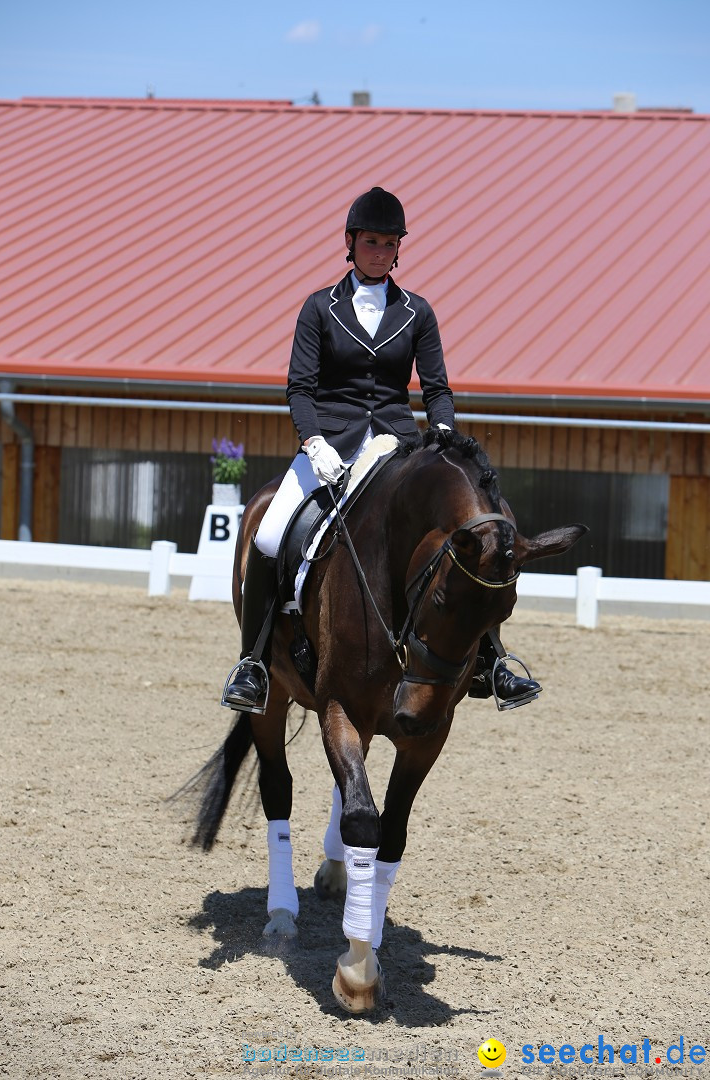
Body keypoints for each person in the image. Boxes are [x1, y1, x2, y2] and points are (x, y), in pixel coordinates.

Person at [221, 186, 540, 714]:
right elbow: (300, 386)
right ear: (350, 243)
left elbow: (436, 388)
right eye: (371, 242)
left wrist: (441, 437)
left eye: (390, 244)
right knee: (272, 532)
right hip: (331, 442)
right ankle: (253, 663)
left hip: (397, 445)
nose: (380, 252)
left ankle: (492, 659)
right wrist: (314, 440)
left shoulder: (418, 312)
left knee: (467, 534)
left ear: (399, 249)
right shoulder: (320, 307)